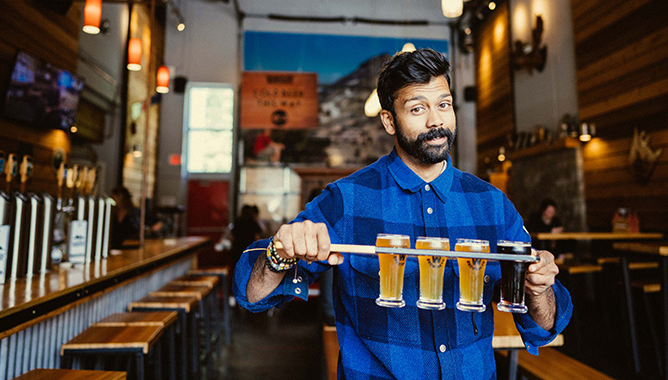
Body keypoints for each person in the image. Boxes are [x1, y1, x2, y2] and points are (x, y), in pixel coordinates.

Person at [234, 48, 572, 380]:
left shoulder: (492, 204)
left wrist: (540, 288)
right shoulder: (347, 200)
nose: (436, 119)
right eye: (417, 108)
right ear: (389, 121)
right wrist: (279, 253)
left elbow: (544, 327)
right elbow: (252, 297)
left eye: (444, 105)